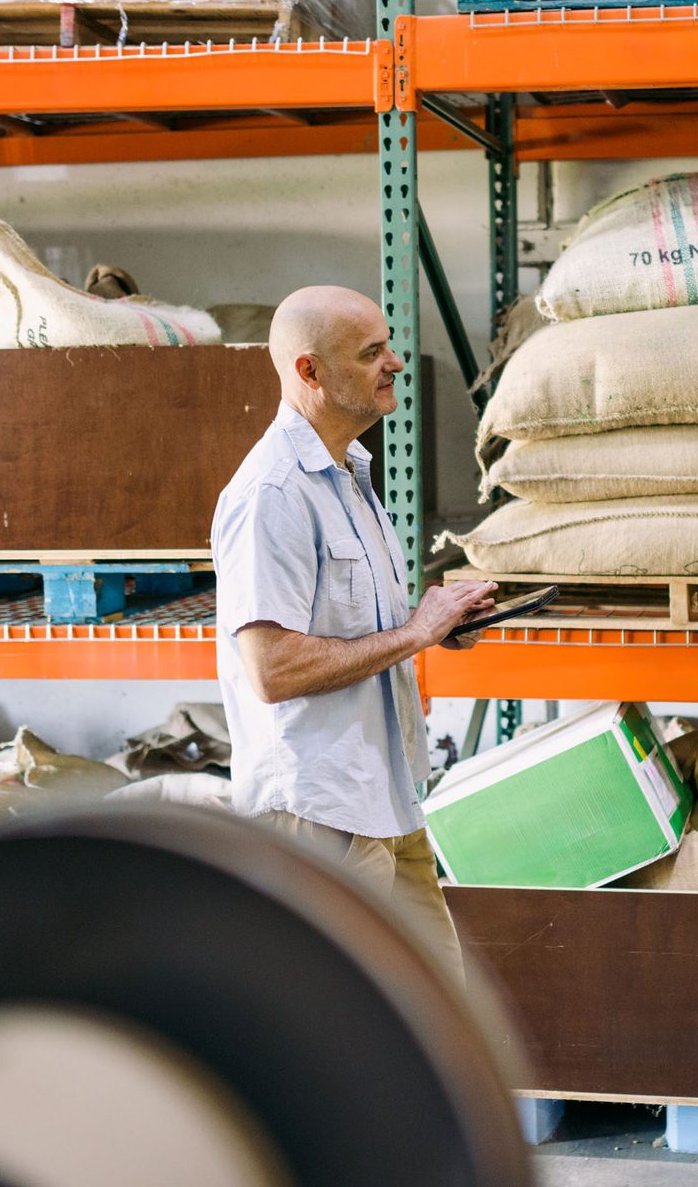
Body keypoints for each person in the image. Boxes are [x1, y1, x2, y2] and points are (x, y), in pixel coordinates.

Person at [211, 285, 495, 980]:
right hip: (320, 814)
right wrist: (415, 635)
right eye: (370, 354)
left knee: (435, 1016)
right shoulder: (272, 494)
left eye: (388, 346)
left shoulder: (350, 473)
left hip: (386, 799)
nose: (395, 363)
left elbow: (354, 633)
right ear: (310, 372)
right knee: (339, 1025)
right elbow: (272, 669)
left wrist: (434, 627)